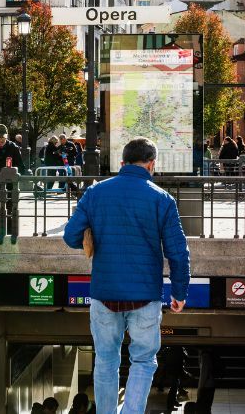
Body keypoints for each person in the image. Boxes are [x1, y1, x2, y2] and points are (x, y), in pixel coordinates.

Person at [63, 137, 190, 414]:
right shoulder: (162, 199)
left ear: (122, 163)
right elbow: (178, 253)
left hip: (104, 293)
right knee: (143, 360)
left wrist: (93, 237)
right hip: (145, 296)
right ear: (152, 164)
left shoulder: (95, 193)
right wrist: (179, 293)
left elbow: (71, 235)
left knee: (106, 361)